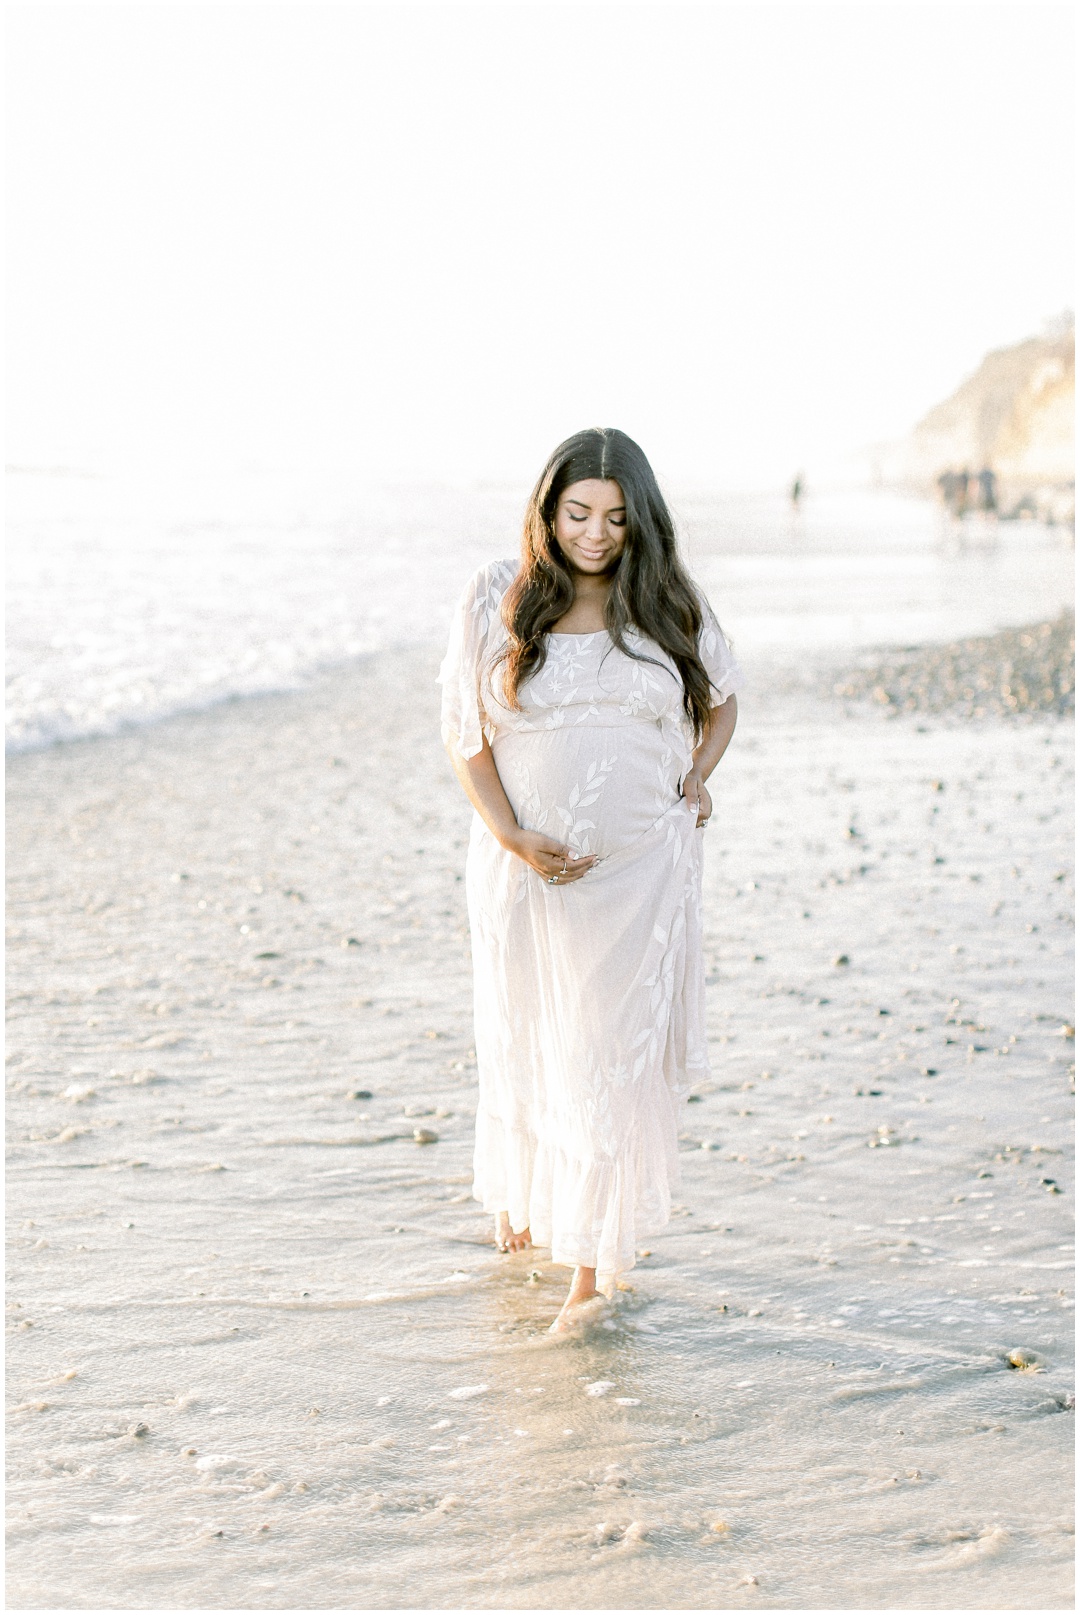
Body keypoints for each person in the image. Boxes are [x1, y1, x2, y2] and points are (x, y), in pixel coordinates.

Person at [439, 427, 742, 1331]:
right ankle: (529, 1200)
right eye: (577, 513)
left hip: (640, 870)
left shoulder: (664, 601)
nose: (596, 534)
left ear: (639, 517)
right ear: (548, 509)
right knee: (530, 1035)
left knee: (605, 1055)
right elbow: (466, 733)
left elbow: (721, 700)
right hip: (522, 872)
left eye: (615, 517)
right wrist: (511, 835)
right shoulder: (497, 596)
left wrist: (697, 777)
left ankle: (588, 1268)